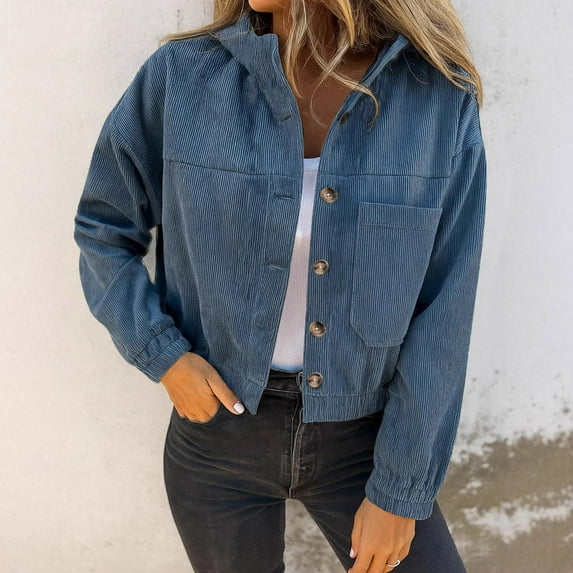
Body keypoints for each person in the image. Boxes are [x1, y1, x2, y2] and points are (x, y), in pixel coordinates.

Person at [73, 0, 487, 571]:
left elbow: (445, 308)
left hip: (366, 442)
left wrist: (401, 489)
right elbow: (104, 227)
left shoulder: (436, 96)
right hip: (217, 439)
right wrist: (162, 355)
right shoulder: (181, 79)